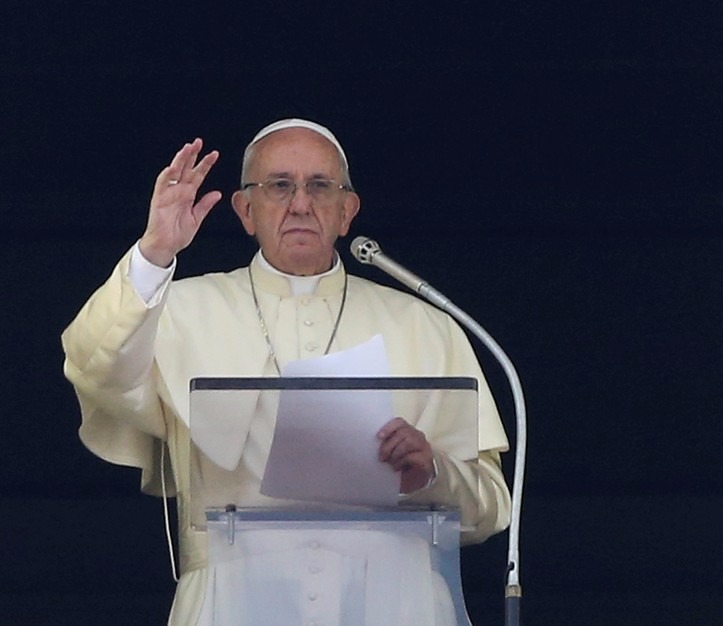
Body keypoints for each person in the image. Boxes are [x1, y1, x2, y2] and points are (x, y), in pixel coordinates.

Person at [62, 119, 511, 624]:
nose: (300, 204)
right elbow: (93, 365)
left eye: (320, 186)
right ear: (245, 210)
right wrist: (155, 252)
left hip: (397, 605)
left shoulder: (424, 325)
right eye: (279, 185)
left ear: (348, 211)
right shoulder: (177, 311)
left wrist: (431, 474)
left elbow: (491, 505)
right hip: (231, 604)